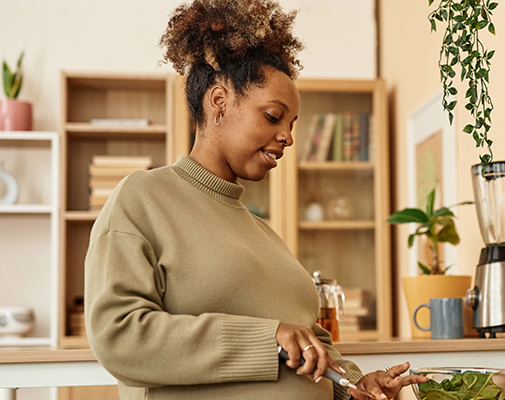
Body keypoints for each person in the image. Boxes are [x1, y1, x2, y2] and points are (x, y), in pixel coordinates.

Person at [84, 0, 427, 399]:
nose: (288, 137)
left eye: (291, 124)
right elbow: (119, 336)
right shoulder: (143, 199)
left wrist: (350, 384)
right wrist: (269, 338)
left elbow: (308, 344)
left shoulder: (263, 232)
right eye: (272, 116)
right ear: (219, 102)